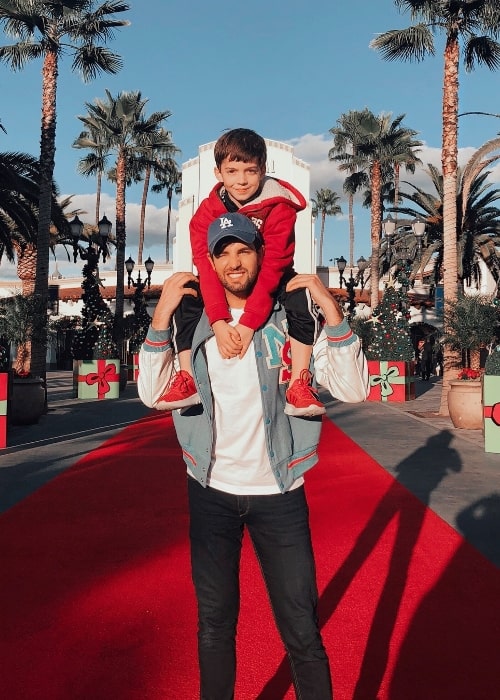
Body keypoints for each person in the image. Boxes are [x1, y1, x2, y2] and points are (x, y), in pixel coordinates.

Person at [138, 213, 369, 700]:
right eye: (222, 253)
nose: (233, 261)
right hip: (211, 492)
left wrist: (331, 308)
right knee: (215, 627)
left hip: (280, 493)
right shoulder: (194, 323)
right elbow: (154, 394)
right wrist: (160, 318)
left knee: (302, 629)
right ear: (211, 263)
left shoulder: (291, 320)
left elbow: (353, 388)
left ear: (261, 255)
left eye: (243, 250)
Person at [158, 127, 326, 417]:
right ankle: (186, 377)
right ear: (218, 173)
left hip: (271, 273)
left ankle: (299, 382)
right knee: (187, 295)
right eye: (232, 171)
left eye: (250, 171)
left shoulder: (279, 207)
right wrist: (220, 322)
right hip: (226, 277)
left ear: (263, 170)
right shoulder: (203, 216)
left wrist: (248, 325)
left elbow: (273, 266)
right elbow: (207, 269)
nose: (242, 180)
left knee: (301, 296)